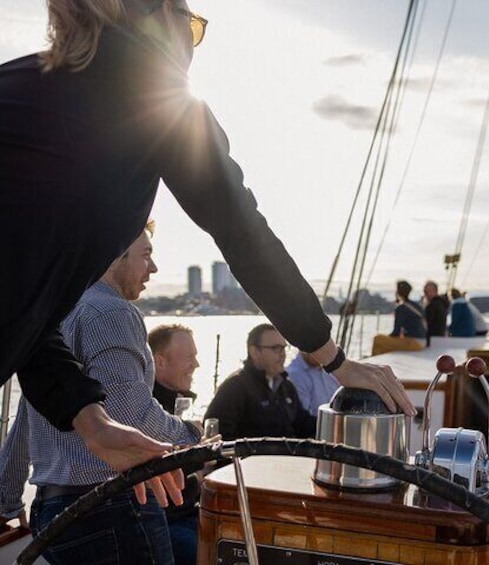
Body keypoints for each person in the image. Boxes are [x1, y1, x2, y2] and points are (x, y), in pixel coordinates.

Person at [0, 0, 413, 490]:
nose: (191, 49)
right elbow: (242, 231)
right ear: (152, 14)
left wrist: (90, 419)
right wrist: (336, 360)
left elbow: (25, 300)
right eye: (191, 27)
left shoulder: (20, 86)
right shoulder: (157, 100)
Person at [0, 226, 201, 563]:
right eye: (146, 255)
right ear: (112, 255)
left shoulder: (53, 313)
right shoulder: (113, 312)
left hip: (52, 513)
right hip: (110, 509)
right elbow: (131, 415)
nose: (153, 269)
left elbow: (28, 415)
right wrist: (194, 436)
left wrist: (5, 498)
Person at [148, 324, 203, 565]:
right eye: (189, 357)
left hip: (191, 511)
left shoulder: (182, 404)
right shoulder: (146, 409)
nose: (196, 365)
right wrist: (198, 456)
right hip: (164, 520)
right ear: (159, 362)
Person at [205, 324, 316, 440]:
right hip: (252, 457)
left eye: (284, 348)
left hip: (288, 457)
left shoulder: (286, 387)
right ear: (254, 352)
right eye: (276, 348)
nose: (283, 354)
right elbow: (217, 436)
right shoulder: (235, 388)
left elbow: (303, 424)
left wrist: (331, 423)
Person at [286, 350, 341, 416]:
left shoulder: (330, 370)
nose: (324, 353)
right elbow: (304, 417)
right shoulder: (295, 375)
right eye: (319, 349)